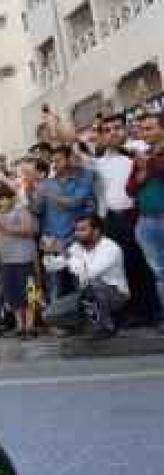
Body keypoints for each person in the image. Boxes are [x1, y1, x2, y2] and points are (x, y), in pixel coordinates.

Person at [92, 113, 160, 325]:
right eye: (108, 130)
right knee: (124, 266)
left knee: (148, 266)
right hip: (112, 219)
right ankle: (135, 312)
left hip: (140, 215)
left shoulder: (141, 150)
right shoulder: (99, 163)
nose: (113, 132)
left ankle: (154, 311)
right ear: (102, 136)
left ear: (127, 129)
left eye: (117, 128)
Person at [45, 214, 129, 338]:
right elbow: (52, 266)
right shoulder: (77, 247)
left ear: (96, 231)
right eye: (76, 230)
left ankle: (105, 327)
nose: (77, 233)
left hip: (115, 294)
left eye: (82, 230)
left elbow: (89, 273)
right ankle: (84, 326)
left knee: (93, 286)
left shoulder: (110, 248)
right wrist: (49, 250)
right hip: (88, 294)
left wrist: (67, 255)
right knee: (49, 314)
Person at [35, 144, 97, 303]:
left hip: (78, 238)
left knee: (81, 281)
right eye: (52, 161)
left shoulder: (86, 176)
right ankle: (59, 323)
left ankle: (88, 318)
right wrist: (32, 191)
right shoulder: (45, 184)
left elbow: (74, 202)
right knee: (56, 285)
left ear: (70, 159)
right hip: (52, 241)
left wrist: (48, 193)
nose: (54, 165)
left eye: (58, 160)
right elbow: (36, 210)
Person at [0, 184, 39, 339]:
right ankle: (19, 325)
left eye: (2, 198)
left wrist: (7, 228)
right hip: (6, 259)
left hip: (24, 258)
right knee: (12, 294)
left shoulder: (21, 210)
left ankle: (31, 325)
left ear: (11, 198)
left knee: (30, 292)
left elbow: (30, 229)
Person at [128, 111, 164, 328]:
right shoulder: (143, 157)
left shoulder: (150, 159)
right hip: (146, 222)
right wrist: (141, 172)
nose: (144, 133)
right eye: (141, 129)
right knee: (159, 273)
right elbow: (130, 189)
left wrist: (149, 166)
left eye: (149, 128)